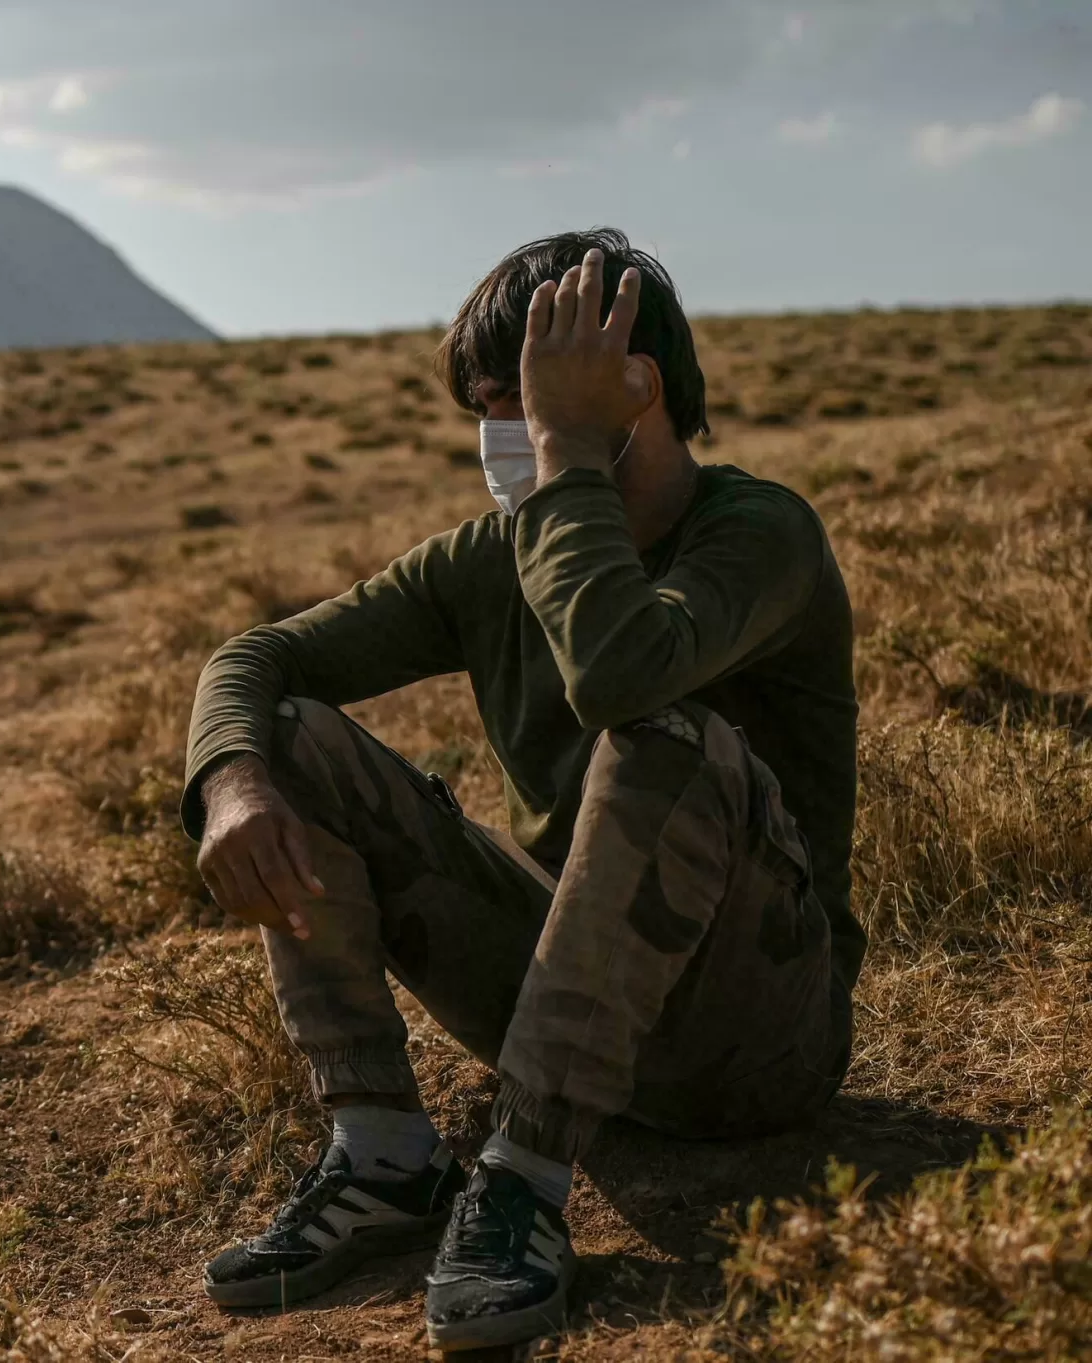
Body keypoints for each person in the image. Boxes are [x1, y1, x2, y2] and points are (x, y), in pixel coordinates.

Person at [185, 229, 860, 1351]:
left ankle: (523, 1177)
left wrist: (567, 458)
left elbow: (618, 671)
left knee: (661, 732)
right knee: (287, 736)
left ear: (633, 385)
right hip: (569, 998)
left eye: (524, 397)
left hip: (757, 1037)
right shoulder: (490, 558)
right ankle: (384, 1156)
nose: (502, 431)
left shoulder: (760, 534)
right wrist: (233, 784)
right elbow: (254, 658)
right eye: (491, 407)